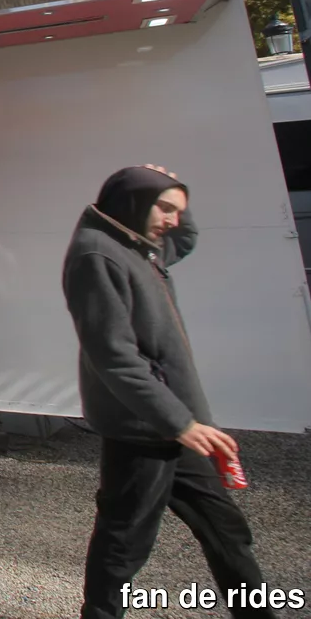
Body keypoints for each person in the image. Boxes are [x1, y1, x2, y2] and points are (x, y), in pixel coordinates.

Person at [63, 166, 277, 619]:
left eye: (178, 211)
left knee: (226, 531)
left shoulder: (139, 245)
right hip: (144, 430)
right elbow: (114, 357)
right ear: (132, 201)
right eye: (164, 208)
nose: (174, 221)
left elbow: (186, 239)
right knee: (124, 544)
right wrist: (177, 422)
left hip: (180, 427)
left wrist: (170, 189)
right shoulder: (98, 255)